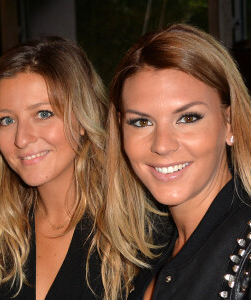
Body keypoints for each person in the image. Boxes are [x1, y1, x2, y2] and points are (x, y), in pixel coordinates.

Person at [0, 36, 158, 300]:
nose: (21, 138)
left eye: (43, 114)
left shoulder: (139, 228)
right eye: (6, 120)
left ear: (82, 119)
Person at [107, 23, 251, 299]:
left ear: (230, 123)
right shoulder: (139, 255)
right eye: (141, 122)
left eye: (187, 118)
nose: (162, 144)